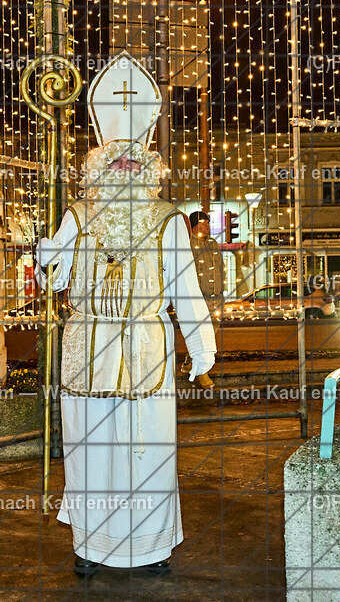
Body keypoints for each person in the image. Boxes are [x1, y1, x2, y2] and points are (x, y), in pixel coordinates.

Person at [36, 52, 216, 574]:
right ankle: (91, 549)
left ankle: (151, 548)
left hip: (146, 352)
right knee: (93, 455)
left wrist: (201, 348)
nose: (126, 168)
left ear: (148, 167)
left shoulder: (169, 221)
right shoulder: (77, 214)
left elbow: (186, 291)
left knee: (147, 454)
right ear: (100, 166)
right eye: (116, 160)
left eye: (135, 160)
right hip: (86, 351)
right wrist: (48, 256)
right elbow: (56, 280)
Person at [187, 211, 224, 313]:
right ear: (195, 225)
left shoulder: (213, 244)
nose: (207, 226)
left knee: (214, 327)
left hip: (215, 298)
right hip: (198, 298)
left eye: (208, 223)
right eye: (203, 223)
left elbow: (220, 268)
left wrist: (220, 291)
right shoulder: (188, 244)